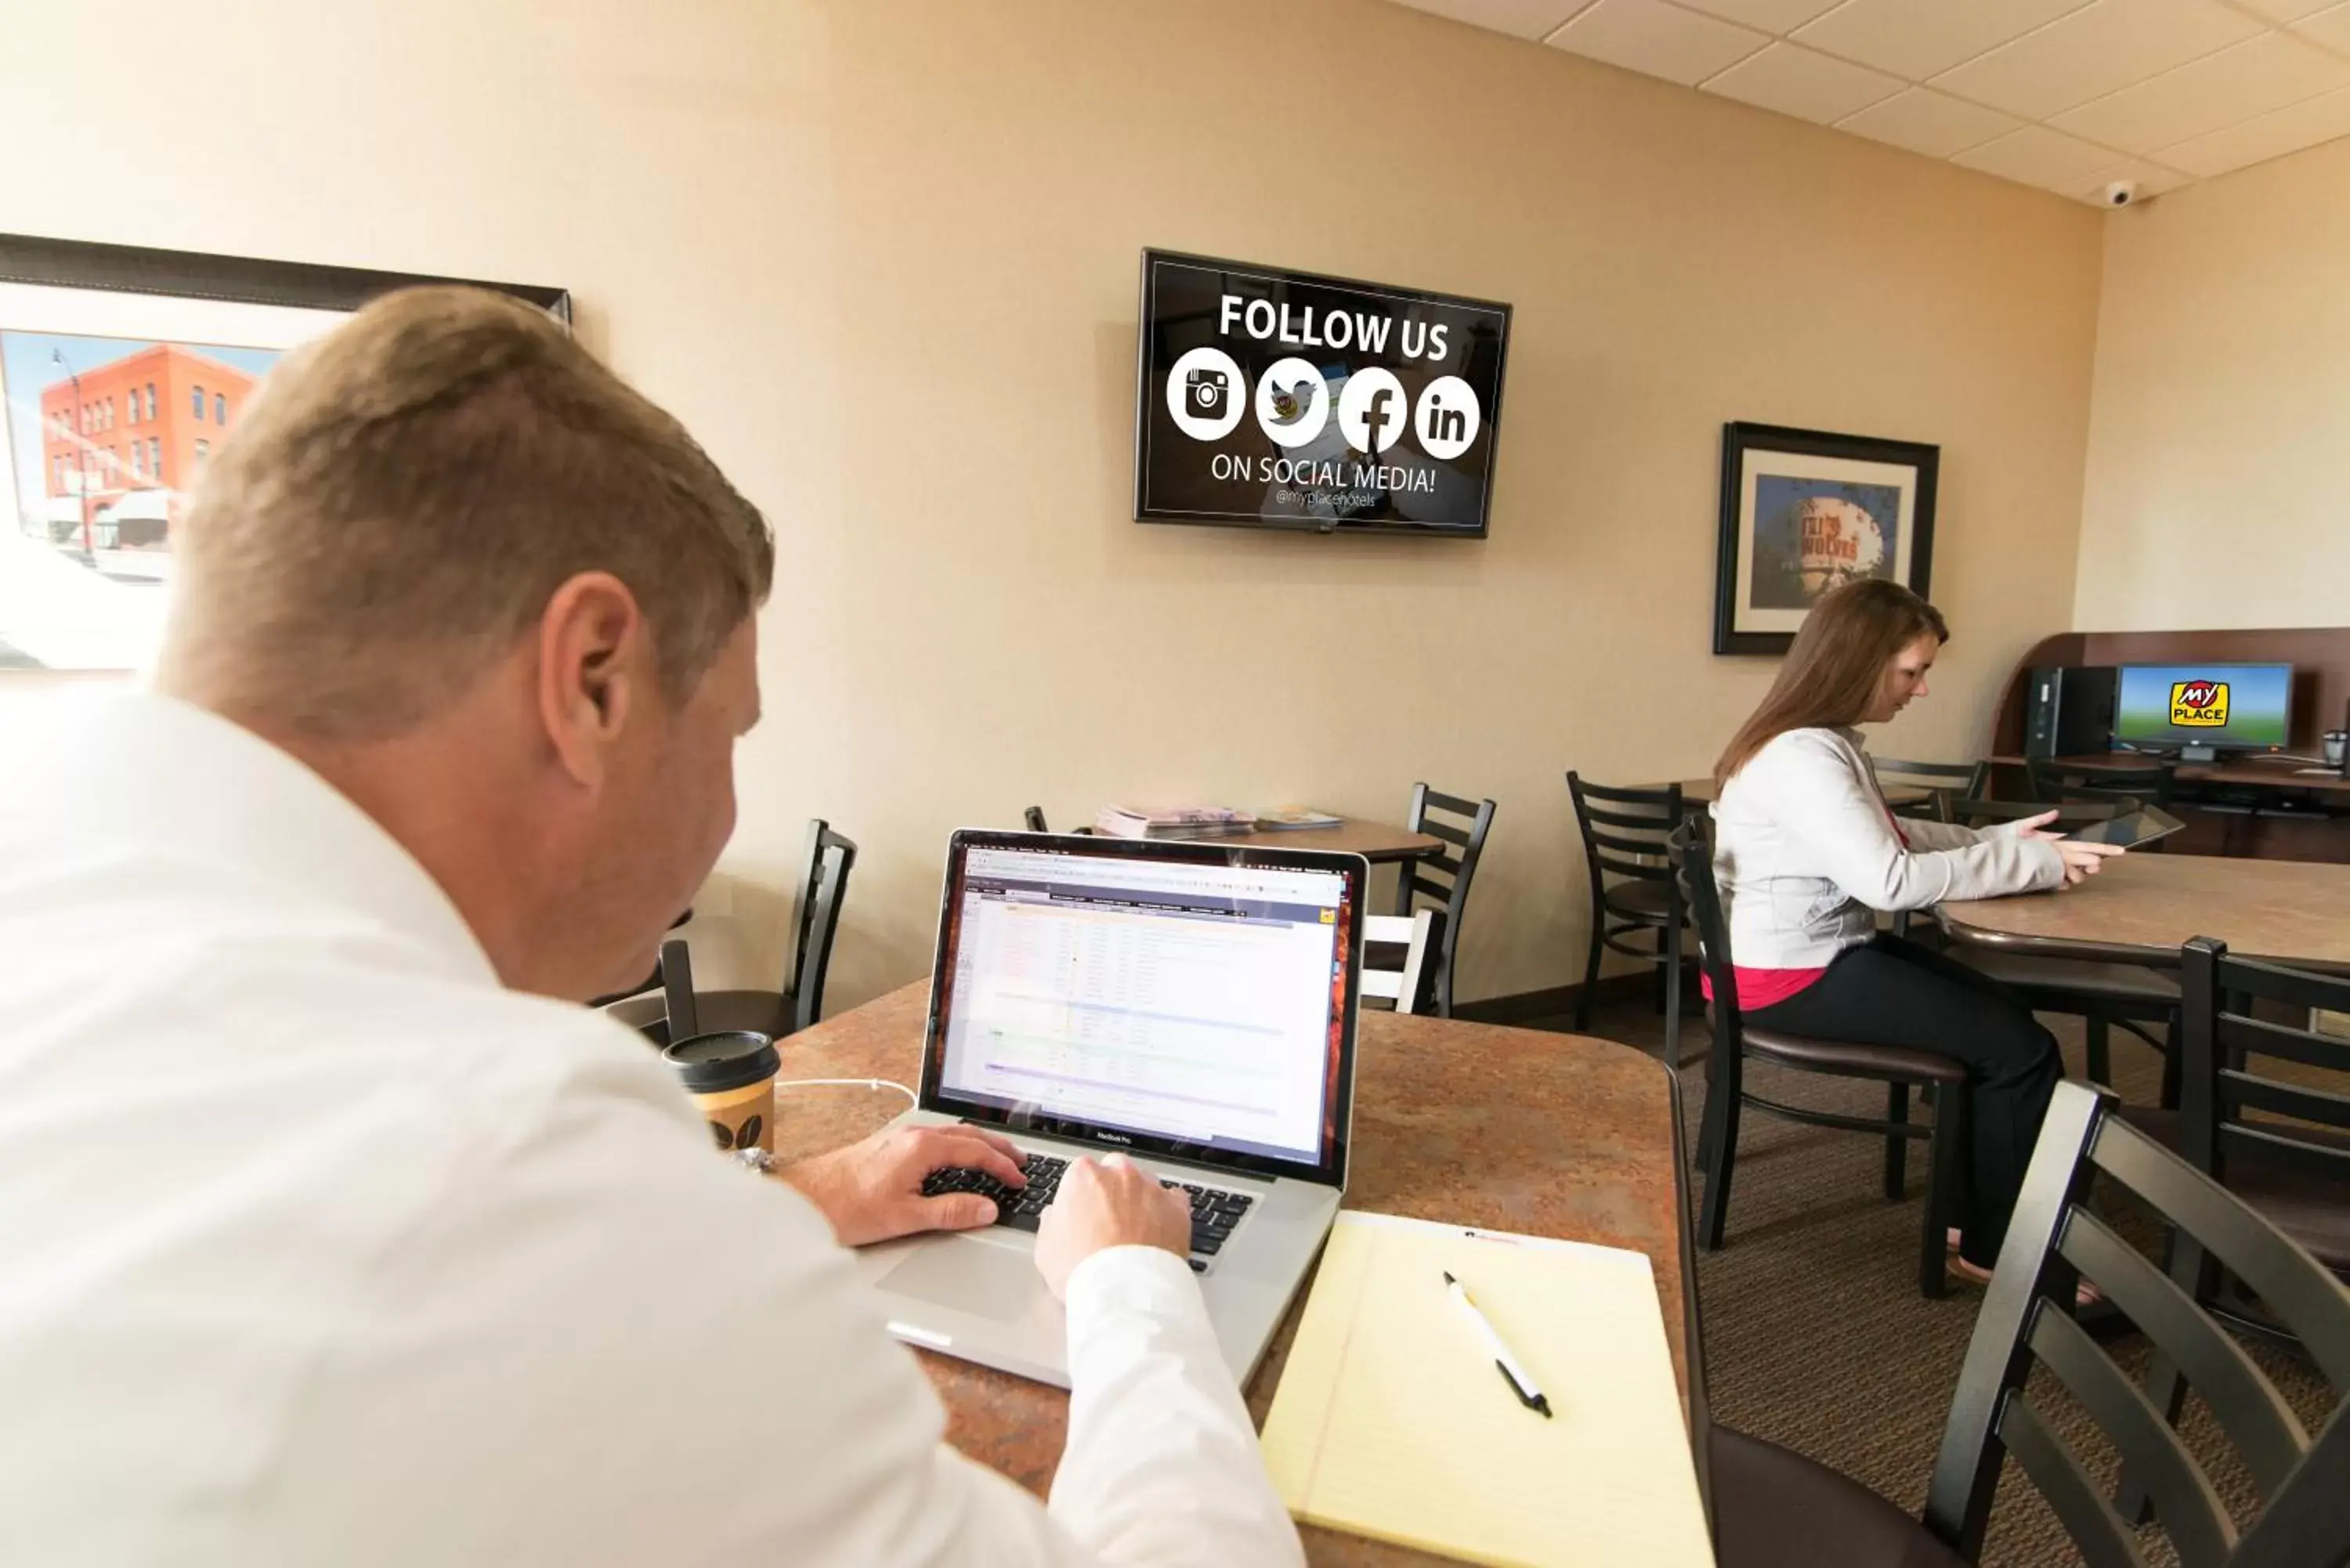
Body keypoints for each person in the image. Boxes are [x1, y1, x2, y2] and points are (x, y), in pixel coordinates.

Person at [0, 287, 1304, 1567]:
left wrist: (799, 1203)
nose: (730, 801)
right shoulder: (513, 1168)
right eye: (731, 728)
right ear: (592, 680)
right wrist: (1132, 1284)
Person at [1708, 578, 2120, 1282]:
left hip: (1807, 957)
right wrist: (2028, 862)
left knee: (2005, 1017)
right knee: (2021, 1051)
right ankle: (2001, 1254)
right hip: (1789, 979)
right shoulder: (1804, 756)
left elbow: (1890, 836)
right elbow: (1888, 881)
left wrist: (1989, 838)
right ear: (1858, 662)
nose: (1920, 689)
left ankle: (1969, 1217)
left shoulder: (1815, 743)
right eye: (1913, 671)